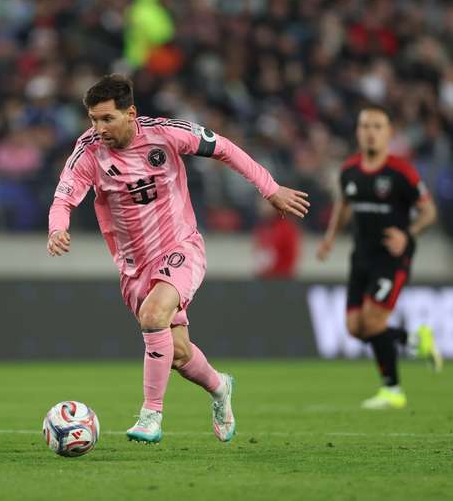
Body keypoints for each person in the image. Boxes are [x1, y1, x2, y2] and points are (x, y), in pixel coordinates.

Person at [47, 74, 309, 443]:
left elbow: (224, 148)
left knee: (153, 315)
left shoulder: (166, 134)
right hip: (133, 266)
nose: (99, 128)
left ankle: (150, 415)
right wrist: (57, 229)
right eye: (93, 119)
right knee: (179, 354)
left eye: (107, 119)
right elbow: (63, 199)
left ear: (130, 113)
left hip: (179, 247)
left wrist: (270, 188)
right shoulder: (89, 151)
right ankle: (220, 387)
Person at [317, 105, 441, 410]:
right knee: (354, 328)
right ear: (358, 132)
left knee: (373, 322)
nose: (370, 132)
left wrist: (408, 234)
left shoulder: (401, 172)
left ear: (388, 133)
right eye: (365, 126)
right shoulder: (349, 170)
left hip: (392, 258)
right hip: (361, 256)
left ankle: (393, 390)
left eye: (377, 126)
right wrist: (330, 238)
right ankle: (416, 341)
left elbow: (429, 212)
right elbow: (343, 204)